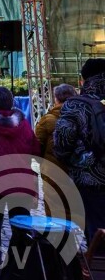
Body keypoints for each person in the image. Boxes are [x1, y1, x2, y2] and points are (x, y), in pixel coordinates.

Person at [0, 86, 40, 280]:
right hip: (22, 181)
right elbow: (36, 149)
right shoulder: (23, 124)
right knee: (21, 226)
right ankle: (18, 269)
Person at [54, 58, 105, 243]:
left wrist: (72, 162)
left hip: (90, 180)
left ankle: (97, 270)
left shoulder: (76, 104)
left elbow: (62, 142)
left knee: (96, 232)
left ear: (84, 79)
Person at [36, 83, 77, 217]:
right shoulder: (82, 116)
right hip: (78, 172)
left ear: (56, 99)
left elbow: (37, 146)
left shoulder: (47, 120)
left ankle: (60, 237)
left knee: (55, 211)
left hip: (53, 172)